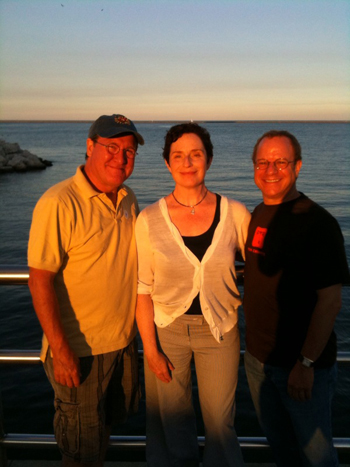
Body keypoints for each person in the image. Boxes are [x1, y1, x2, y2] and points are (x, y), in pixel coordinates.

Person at [28, 114, 144, 467]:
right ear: (90, 146)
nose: (120, 157)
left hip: (121, 345)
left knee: (103, 432)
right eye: (111, 147)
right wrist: (62, 352)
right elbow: (39, 280)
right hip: (80, 352)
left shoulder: (127, 198)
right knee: (79, 452)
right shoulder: (59, 202)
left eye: (129, 151)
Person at [135, 122, 250, 467]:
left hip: (220, 330)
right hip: (168, 331)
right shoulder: (149, 219)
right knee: (174, 426)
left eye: (195, 154)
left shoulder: (236, 214)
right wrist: (150, 350)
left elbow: (264, 264)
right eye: (178, 156)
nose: (187, 162)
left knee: (220, 425)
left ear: (209, 160)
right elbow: (142, 289)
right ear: (168, 164)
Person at [243, 130, 350, 467]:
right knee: (284, 453)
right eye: (263, 162)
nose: (270, 170)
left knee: (316, 458)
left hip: (301, 369)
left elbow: (330, 302)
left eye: (280, 162)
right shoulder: (259, 213)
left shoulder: (318, 223)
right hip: (258, 361)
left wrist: (305, 364)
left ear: (298, 166)